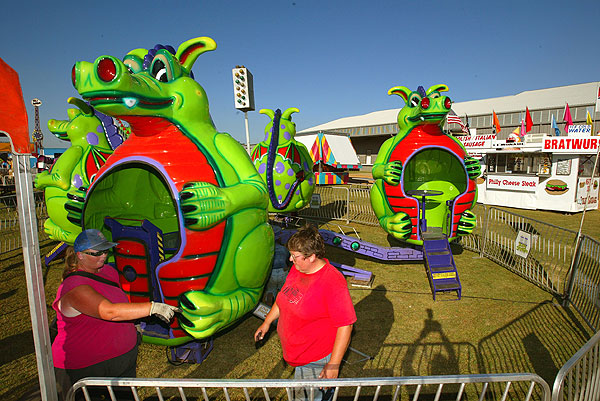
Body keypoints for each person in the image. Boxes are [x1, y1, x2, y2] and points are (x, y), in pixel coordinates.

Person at [52, 229, 180, 400]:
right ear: (80, 255)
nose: (103, 256)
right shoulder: (75, 287)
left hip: (122, 360)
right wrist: (152, 308)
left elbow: (120, 303)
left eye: (105, 250)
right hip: (85, 368)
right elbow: (109, 311)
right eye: (96, 253)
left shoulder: (107, 272)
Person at [254, 225, 356, 401]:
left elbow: (346, 325)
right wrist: (267, 322)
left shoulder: (332, 281)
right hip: (298, 355)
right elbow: (284, 296)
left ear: (312, 257)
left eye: (295, 256)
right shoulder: (299, 268)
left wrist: (333, 365)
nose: (290, 260)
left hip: (315, 359)